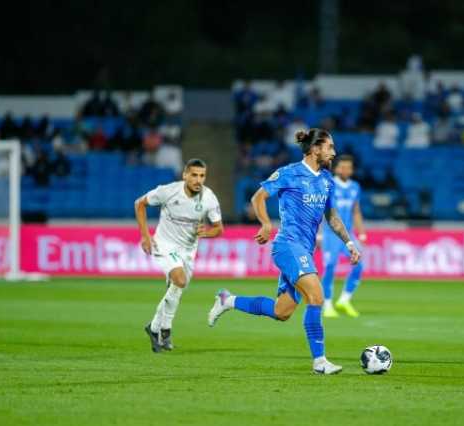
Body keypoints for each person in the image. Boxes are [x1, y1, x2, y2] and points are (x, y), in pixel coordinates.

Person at [207, 128, 360, 375]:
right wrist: (266, 224)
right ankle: (320, 361)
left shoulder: (326, 180)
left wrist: (349, 243)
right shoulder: (290, 173)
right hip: (288, 245)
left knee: (282, 312)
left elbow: (331, 216)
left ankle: (228, 300)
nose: (334, 152)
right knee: (317, 297)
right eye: (329, 147)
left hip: (305, 251)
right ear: (315, 149)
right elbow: (258, 198)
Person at [135, 159, 223, 353]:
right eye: (194, 175)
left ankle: (162, 329)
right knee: (180, 280)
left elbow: (219, 229)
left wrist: (206, 232)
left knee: (176, 289)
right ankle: (156, 328)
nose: (198, 180)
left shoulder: (208, 198)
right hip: (165, 244)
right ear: (185, 175)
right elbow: (139, 204)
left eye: (202, 176)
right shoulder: (168, 191)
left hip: (189, 250)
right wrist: (145, 236)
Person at [320, 155, 366, 318]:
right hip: (330, 234)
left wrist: (361, 232)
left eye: (349, 167)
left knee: (359, 265)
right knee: (330, 267)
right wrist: (318, 233)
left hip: (349, 235)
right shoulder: (328, 184)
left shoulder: (355, 186)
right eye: (342, 167)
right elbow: (320, 210)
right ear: (336, 168)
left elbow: (356, 210)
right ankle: (327, 305)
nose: (346, 170)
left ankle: (345, 299)